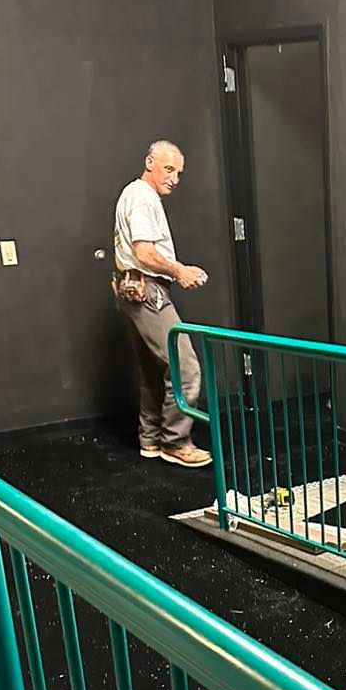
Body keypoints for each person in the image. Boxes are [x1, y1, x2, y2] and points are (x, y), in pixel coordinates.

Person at [112, 140, 212, 467]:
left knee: (152, 369)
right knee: (186, 368)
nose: (174, 178)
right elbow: (144, 253)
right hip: (146, 290)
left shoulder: (135, 194)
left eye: (179, 173)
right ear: (149, 163)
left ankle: (151, 439)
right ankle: (175, 441)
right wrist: (178, 270)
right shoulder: (142, 198)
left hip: (131, 290)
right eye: (169, 169)